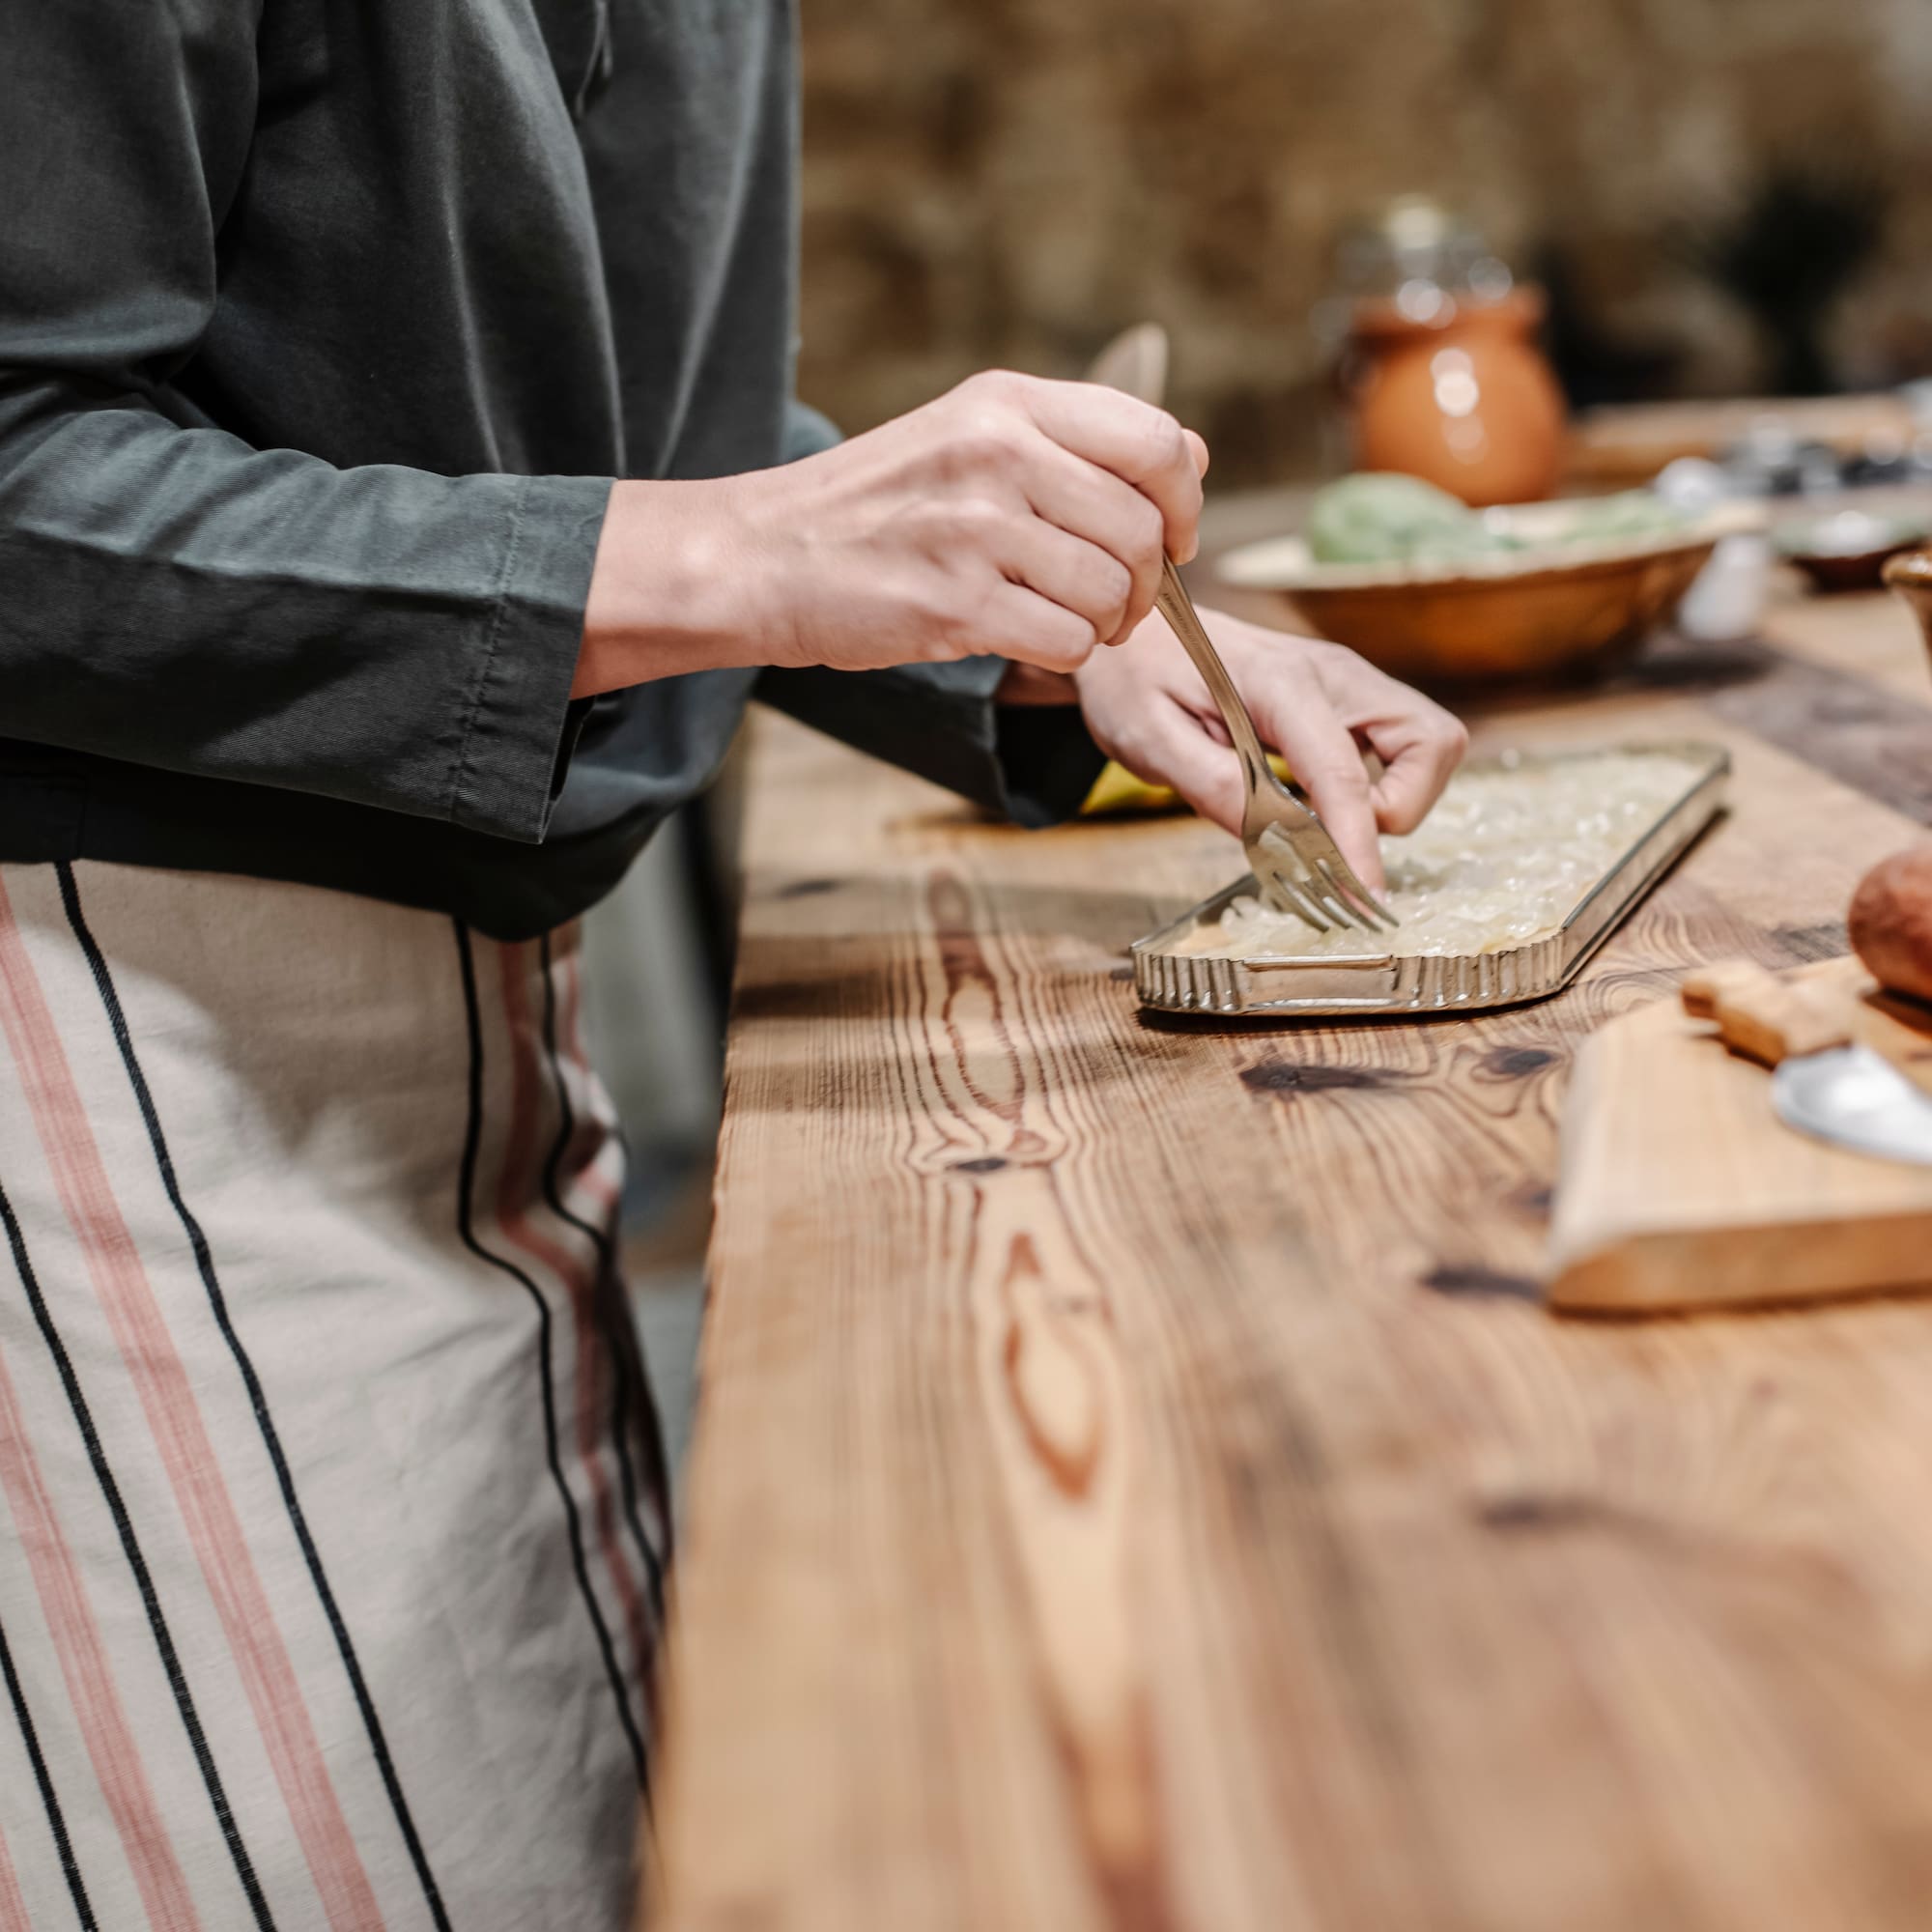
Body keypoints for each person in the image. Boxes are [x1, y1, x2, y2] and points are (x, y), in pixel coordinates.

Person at [0, 0, 1466, 1926]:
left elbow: (601, 432)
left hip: (477, 1014)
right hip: (121, 1024)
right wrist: (759, 549)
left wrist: (1020, 628)